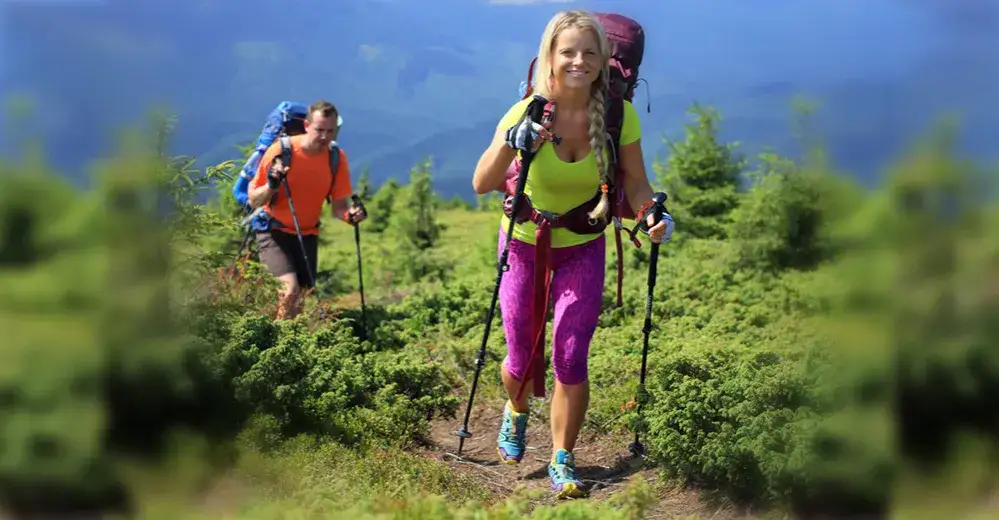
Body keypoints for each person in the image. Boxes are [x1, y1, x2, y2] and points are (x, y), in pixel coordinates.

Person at [471, 10, 674, 499]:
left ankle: (563, 458)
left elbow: (639, 182)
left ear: (605, 59)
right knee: (520, 356)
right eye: (568, 52)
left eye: (589, 52)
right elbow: (481, 183)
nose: (578, 61)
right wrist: (513, 144)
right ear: (550, 57)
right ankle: (517, 412)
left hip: (583, 246)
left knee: (570, 354)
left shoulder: (617, 118)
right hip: (522, 244)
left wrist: (652, 216)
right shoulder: (527, 113)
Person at [247, 100, 366, 319]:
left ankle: (289, 345)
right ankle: (278, 347)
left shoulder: (336, 158)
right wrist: (272, 185)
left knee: (299, 300)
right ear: (306, 126)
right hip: (273, 231)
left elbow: (339, 208)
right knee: (289, 291)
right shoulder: (282, 151)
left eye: (330, 131)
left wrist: (352, 216)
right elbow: (254, 199)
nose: (325, 136)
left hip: (307, 235)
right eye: (319, 130)